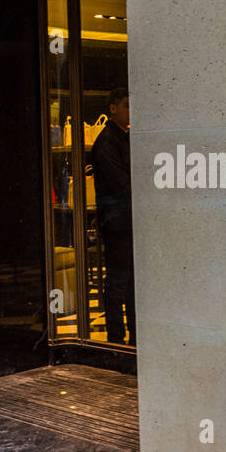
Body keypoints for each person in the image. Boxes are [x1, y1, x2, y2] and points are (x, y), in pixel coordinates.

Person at [90, 88, 136, 345]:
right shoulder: (107, 141)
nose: (131, 110)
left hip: (124, 217)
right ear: (113, 108)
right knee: (119, 280)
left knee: (128, 280)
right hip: (117, 219)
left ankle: (131, 336)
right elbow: (121, 183)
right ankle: (116, 337)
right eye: (127, 105)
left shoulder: (124, 138)